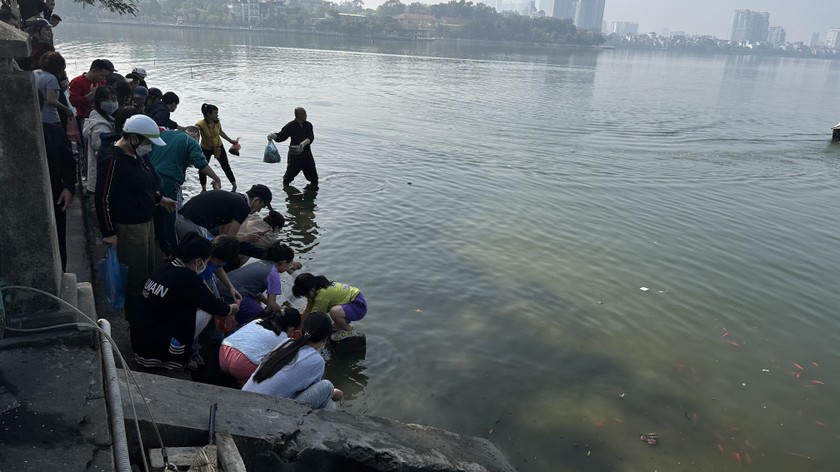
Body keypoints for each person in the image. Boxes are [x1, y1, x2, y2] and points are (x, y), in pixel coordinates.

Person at [95, 114, 177, 324]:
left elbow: (143, 186)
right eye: (147, 142)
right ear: (133, 138)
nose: (149, 147)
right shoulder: (112, 160)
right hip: (129, 228)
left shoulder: (135, 156)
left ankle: (146, 312)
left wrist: (159, 199)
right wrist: (109, 232)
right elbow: (102, 197)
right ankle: (136, 320)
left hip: (146, 223)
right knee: (135, 278)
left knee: (149, 271)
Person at [132, 233, 239, 370]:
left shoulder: (166, 267)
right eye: (206, 261)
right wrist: (231, 309)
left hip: (140, 339)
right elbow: (213, 306)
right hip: (156, 348)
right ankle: (178, 354)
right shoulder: (188, 277)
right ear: (198, 261)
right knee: (205, 312)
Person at [243, 312, 342, 410]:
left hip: (244, 397)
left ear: (302, 330)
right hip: (263, 411)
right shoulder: (317, 361)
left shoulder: (287, 342)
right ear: (325, 339)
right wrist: (333, 392)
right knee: (327, 387)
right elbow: (314, 392)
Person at [149, 126, 222, 256]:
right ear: (197, 136)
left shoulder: (165, 134)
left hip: (150, 178)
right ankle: (173, 253)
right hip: (169, 183)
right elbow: (200, 163)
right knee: (170, 221)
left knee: (156, 217)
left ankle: (159, 247)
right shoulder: (191, 141)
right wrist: (216, 178)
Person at [34, 51, 75, 271]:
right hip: (47, 192)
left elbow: (67, 161)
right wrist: (66, 109)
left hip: (54, 188)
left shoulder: (35, 75)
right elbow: (51, 100)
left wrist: (68, 185)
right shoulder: (50, 79)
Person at [218, 242, 296, 325]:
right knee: (261, 319)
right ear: (283, 262)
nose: (290, 267)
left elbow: (257, 294)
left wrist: (279, 308)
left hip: (220, 289)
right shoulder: (273, 274)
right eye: (290, 264)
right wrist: (282, 313)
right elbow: (271, 306)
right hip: (231, 296)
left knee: (256, 302)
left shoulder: (261, 263)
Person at [220, 307, 301, 385]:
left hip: (223, 353)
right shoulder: (283, 338)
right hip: (241, 366)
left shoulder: (258, 321)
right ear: (291, 328)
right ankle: (247, 381)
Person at [176, 186, 273, 241]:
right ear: (256, 200)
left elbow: (223, 234)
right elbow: (228, 240)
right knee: (211, 251)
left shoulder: (236, 197)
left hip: (179, 219)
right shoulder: (243, 207)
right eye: (261, 207)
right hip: (189, 225)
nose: (259, 211)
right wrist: (246, 238)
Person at [293, 274, 366, 334]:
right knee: (331, 328)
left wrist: (305, 331)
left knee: (334, 312)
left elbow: (316, 316)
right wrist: (300, 329)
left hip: (358, 306)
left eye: (305, 295)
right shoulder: (316, 288)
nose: (306, 297)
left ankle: (349, 330)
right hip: (348, 304)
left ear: (312, 290)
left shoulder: (322, 295)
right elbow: (307, 311)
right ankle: (341, 325)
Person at [268, 107, 317, 189]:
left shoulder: (308, 125)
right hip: (295, 155)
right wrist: (273, 136)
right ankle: (287, 191)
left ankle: (312, 191)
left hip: (307, 155)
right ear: (298, 115)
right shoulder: (291, 125)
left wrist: (304, 143)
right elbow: (281, 136)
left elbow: (311, 137)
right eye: (304, 114)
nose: (306, 115)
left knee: (314, 178)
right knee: (288, 178)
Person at [82, 85, 118, 194]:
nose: (113, 103)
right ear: (99, 102)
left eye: (114, 99)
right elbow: (100, 146)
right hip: (100, 173)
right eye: (108, 100)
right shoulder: (100, 125)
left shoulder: (102, 116)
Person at [196, 103, 238, 192]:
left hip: (218, 147)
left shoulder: (217, 122)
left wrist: (231, 141)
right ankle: (203, 189)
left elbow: (221, 132)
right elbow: (195, 131)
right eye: (215, 113)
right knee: (202, 168)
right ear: (208, 114)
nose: (217, 115)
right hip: (205, 148)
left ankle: (234, 186)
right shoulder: (200, 124)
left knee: (225, 166)